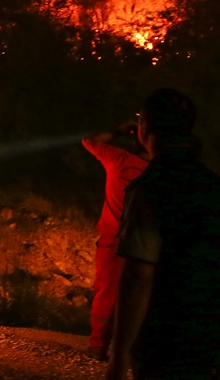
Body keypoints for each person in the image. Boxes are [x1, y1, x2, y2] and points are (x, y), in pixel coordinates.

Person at [106, 89, 220, 380]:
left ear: (144, 129)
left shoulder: (151, 189)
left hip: (168, 346)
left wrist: (119, 358)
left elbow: (138, 276)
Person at [82, 120, 150, 361]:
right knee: (142, 295)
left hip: (113, 240)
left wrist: (118, 131)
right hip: (146, 244)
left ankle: (99, 345)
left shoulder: (119, 159)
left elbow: (89, 140)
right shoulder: (162, 172)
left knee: (107, 293)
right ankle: (134, 351)